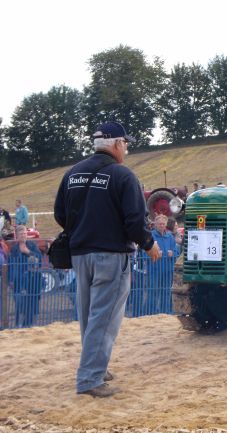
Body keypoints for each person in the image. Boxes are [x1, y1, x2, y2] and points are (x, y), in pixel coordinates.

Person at [54, 121, 160, 398]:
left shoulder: (72, 174)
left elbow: (60, 215)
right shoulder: (123, 176)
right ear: (116, 144)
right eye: (125, 143)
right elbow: (135, 221)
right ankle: (90, 378)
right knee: (105, 317)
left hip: (80, 255)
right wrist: (150, 245)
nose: (126, 148)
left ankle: (96, 367)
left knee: (89, 314)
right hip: (111, 256)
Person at [8, 225, 43, 328]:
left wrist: (27, 252)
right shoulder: (14, 249)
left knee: (31, 304)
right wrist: (10, 280)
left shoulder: (32, 245)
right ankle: (19, 325)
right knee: (19, 304)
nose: (23, 235)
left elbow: (39, 259)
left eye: (24, 233)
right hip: (18, 282)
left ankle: (30, 325)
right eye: (21, 234)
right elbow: (10, 265)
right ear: (17, 236)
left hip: (31, 282)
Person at [146, 214, 179, 314]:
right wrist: (153, 253)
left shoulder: (170, 236)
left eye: (163, 224)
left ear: (166, 225)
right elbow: (144, 251)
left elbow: (177, 252)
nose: (161, 225)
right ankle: (151, 312)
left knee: (166, 291)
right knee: (153, 291)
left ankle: (165, 312)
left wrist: (172, 253)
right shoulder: (150, 236)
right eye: (159, 224)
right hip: (154, 269)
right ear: (155, 224)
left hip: (167, 270)